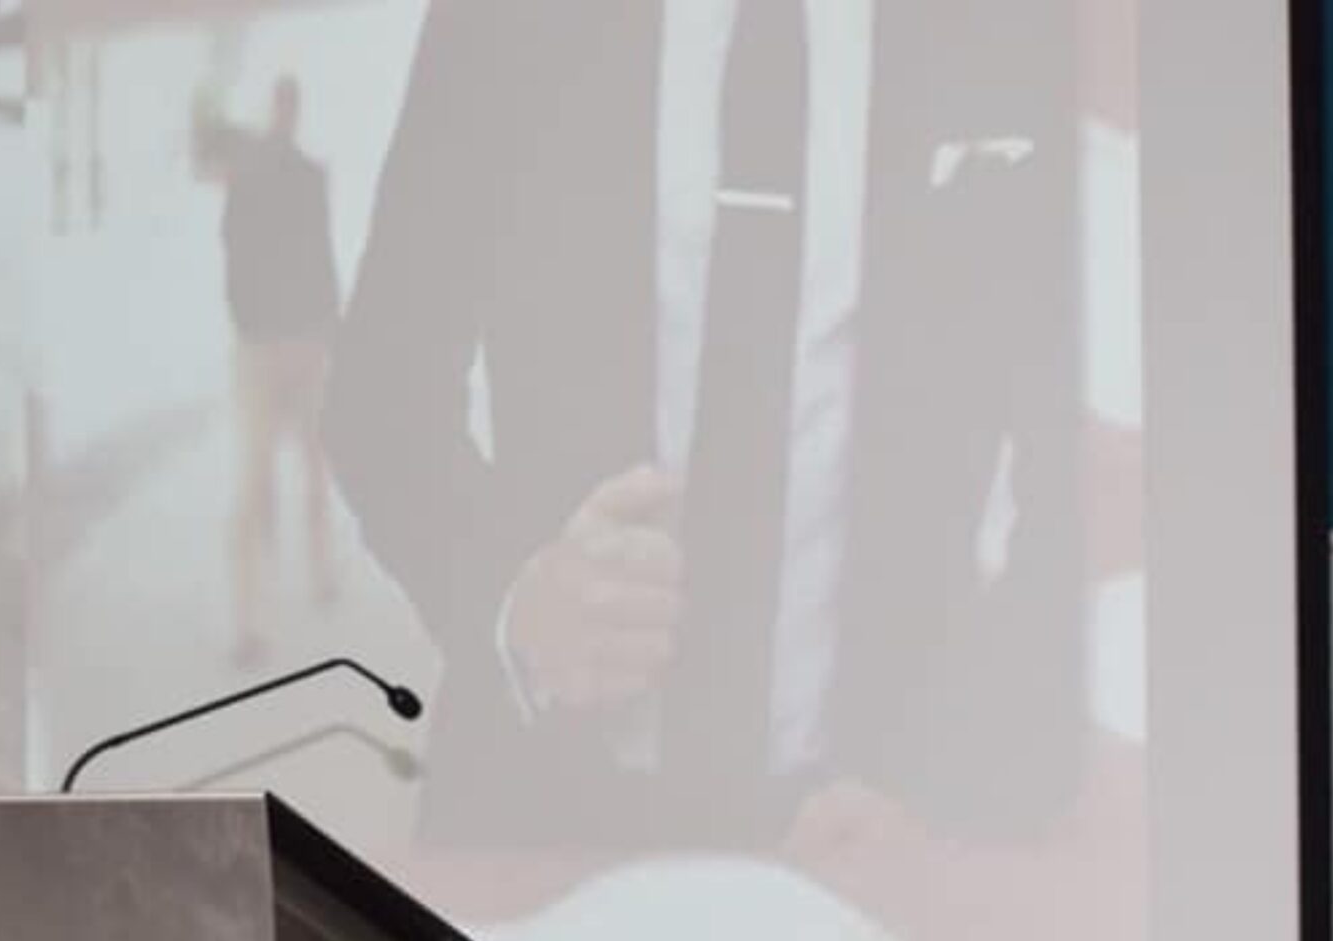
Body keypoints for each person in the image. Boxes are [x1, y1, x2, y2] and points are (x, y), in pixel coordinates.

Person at [323, 0, 1088, 850]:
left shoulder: (1018, 22)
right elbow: (381, 393)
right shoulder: (514, 20)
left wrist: (961, 781)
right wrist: (515, 601)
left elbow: (1085, 462)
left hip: (877, 844)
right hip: (541, 826)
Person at [212, 75, 344, 661]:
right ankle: (261, 609)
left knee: (294, 471)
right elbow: (312, 260)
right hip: (281, 342)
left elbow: (244, 255)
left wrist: (321, 329)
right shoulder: (298, 178)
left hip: (284, 342)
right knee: (276, 475)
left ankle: (295, 587)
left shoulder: (273, 178)